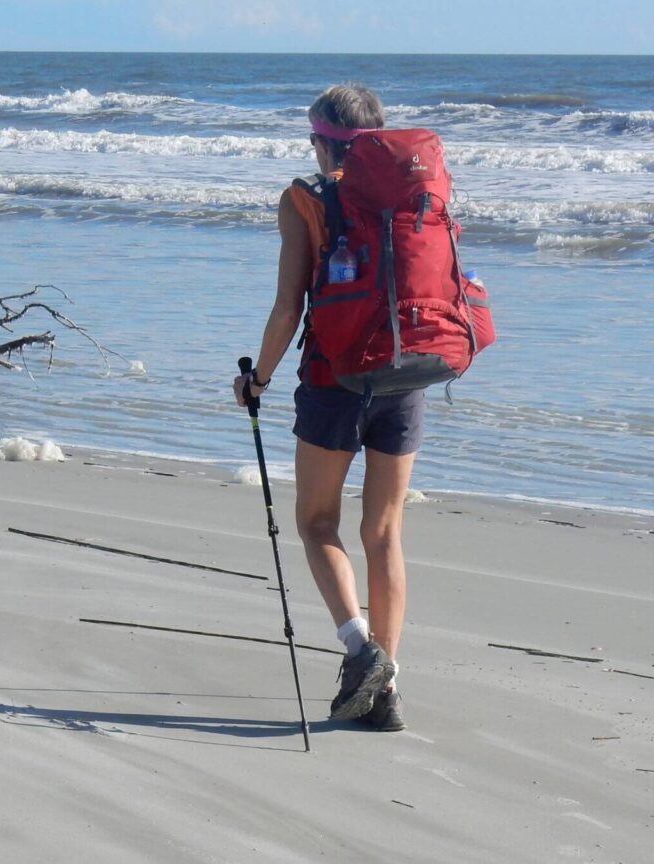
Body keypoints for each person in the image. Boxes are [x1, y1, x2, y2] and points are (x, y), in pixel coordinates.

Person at [232, 84, 418, 732]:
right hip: (406, 375)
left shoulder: (304, 200)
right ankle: (386, 692)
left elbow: (290, 306)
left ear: (320, 141)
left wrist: (258, 377)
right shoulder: (411, 193)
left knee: (316, 523)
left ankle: (361, 651)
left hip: (333, 376)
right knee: (385, 532)